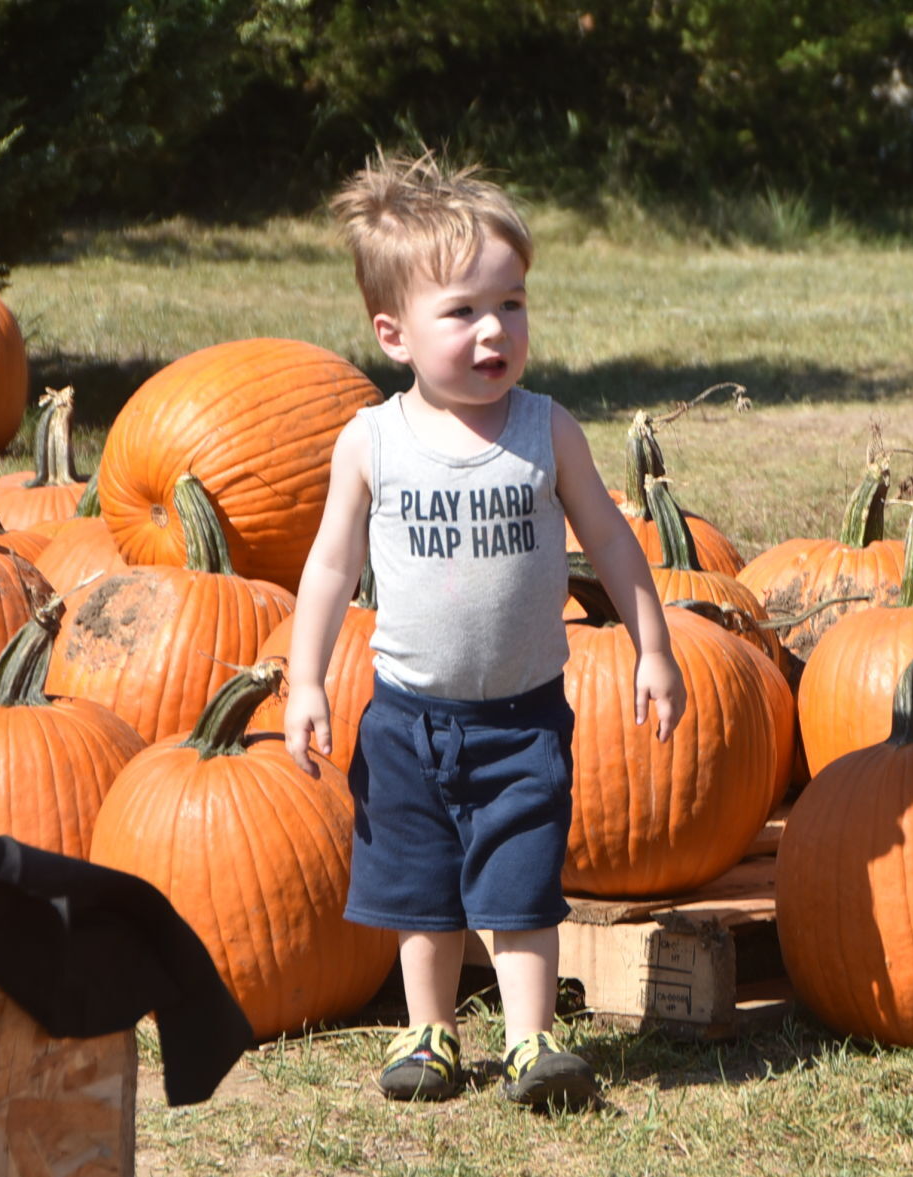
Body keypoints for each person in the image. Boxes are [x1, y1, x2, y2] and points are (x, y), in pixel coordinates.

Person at [284, 152, 685, 1109]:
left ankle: (530, 1040)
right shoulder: (372, 441)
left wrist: (654, 646)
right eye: (461, 312)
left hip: (523, 718)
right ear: (394, 333)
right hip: (406, 717)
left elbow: (614, 546)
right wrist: (303, 679)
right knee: (418, 887)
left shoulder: (546, 430)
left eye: (510, 304)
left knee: (521, 882)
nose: (492, 330)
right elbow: (331, 567)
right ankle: (428, 1032)